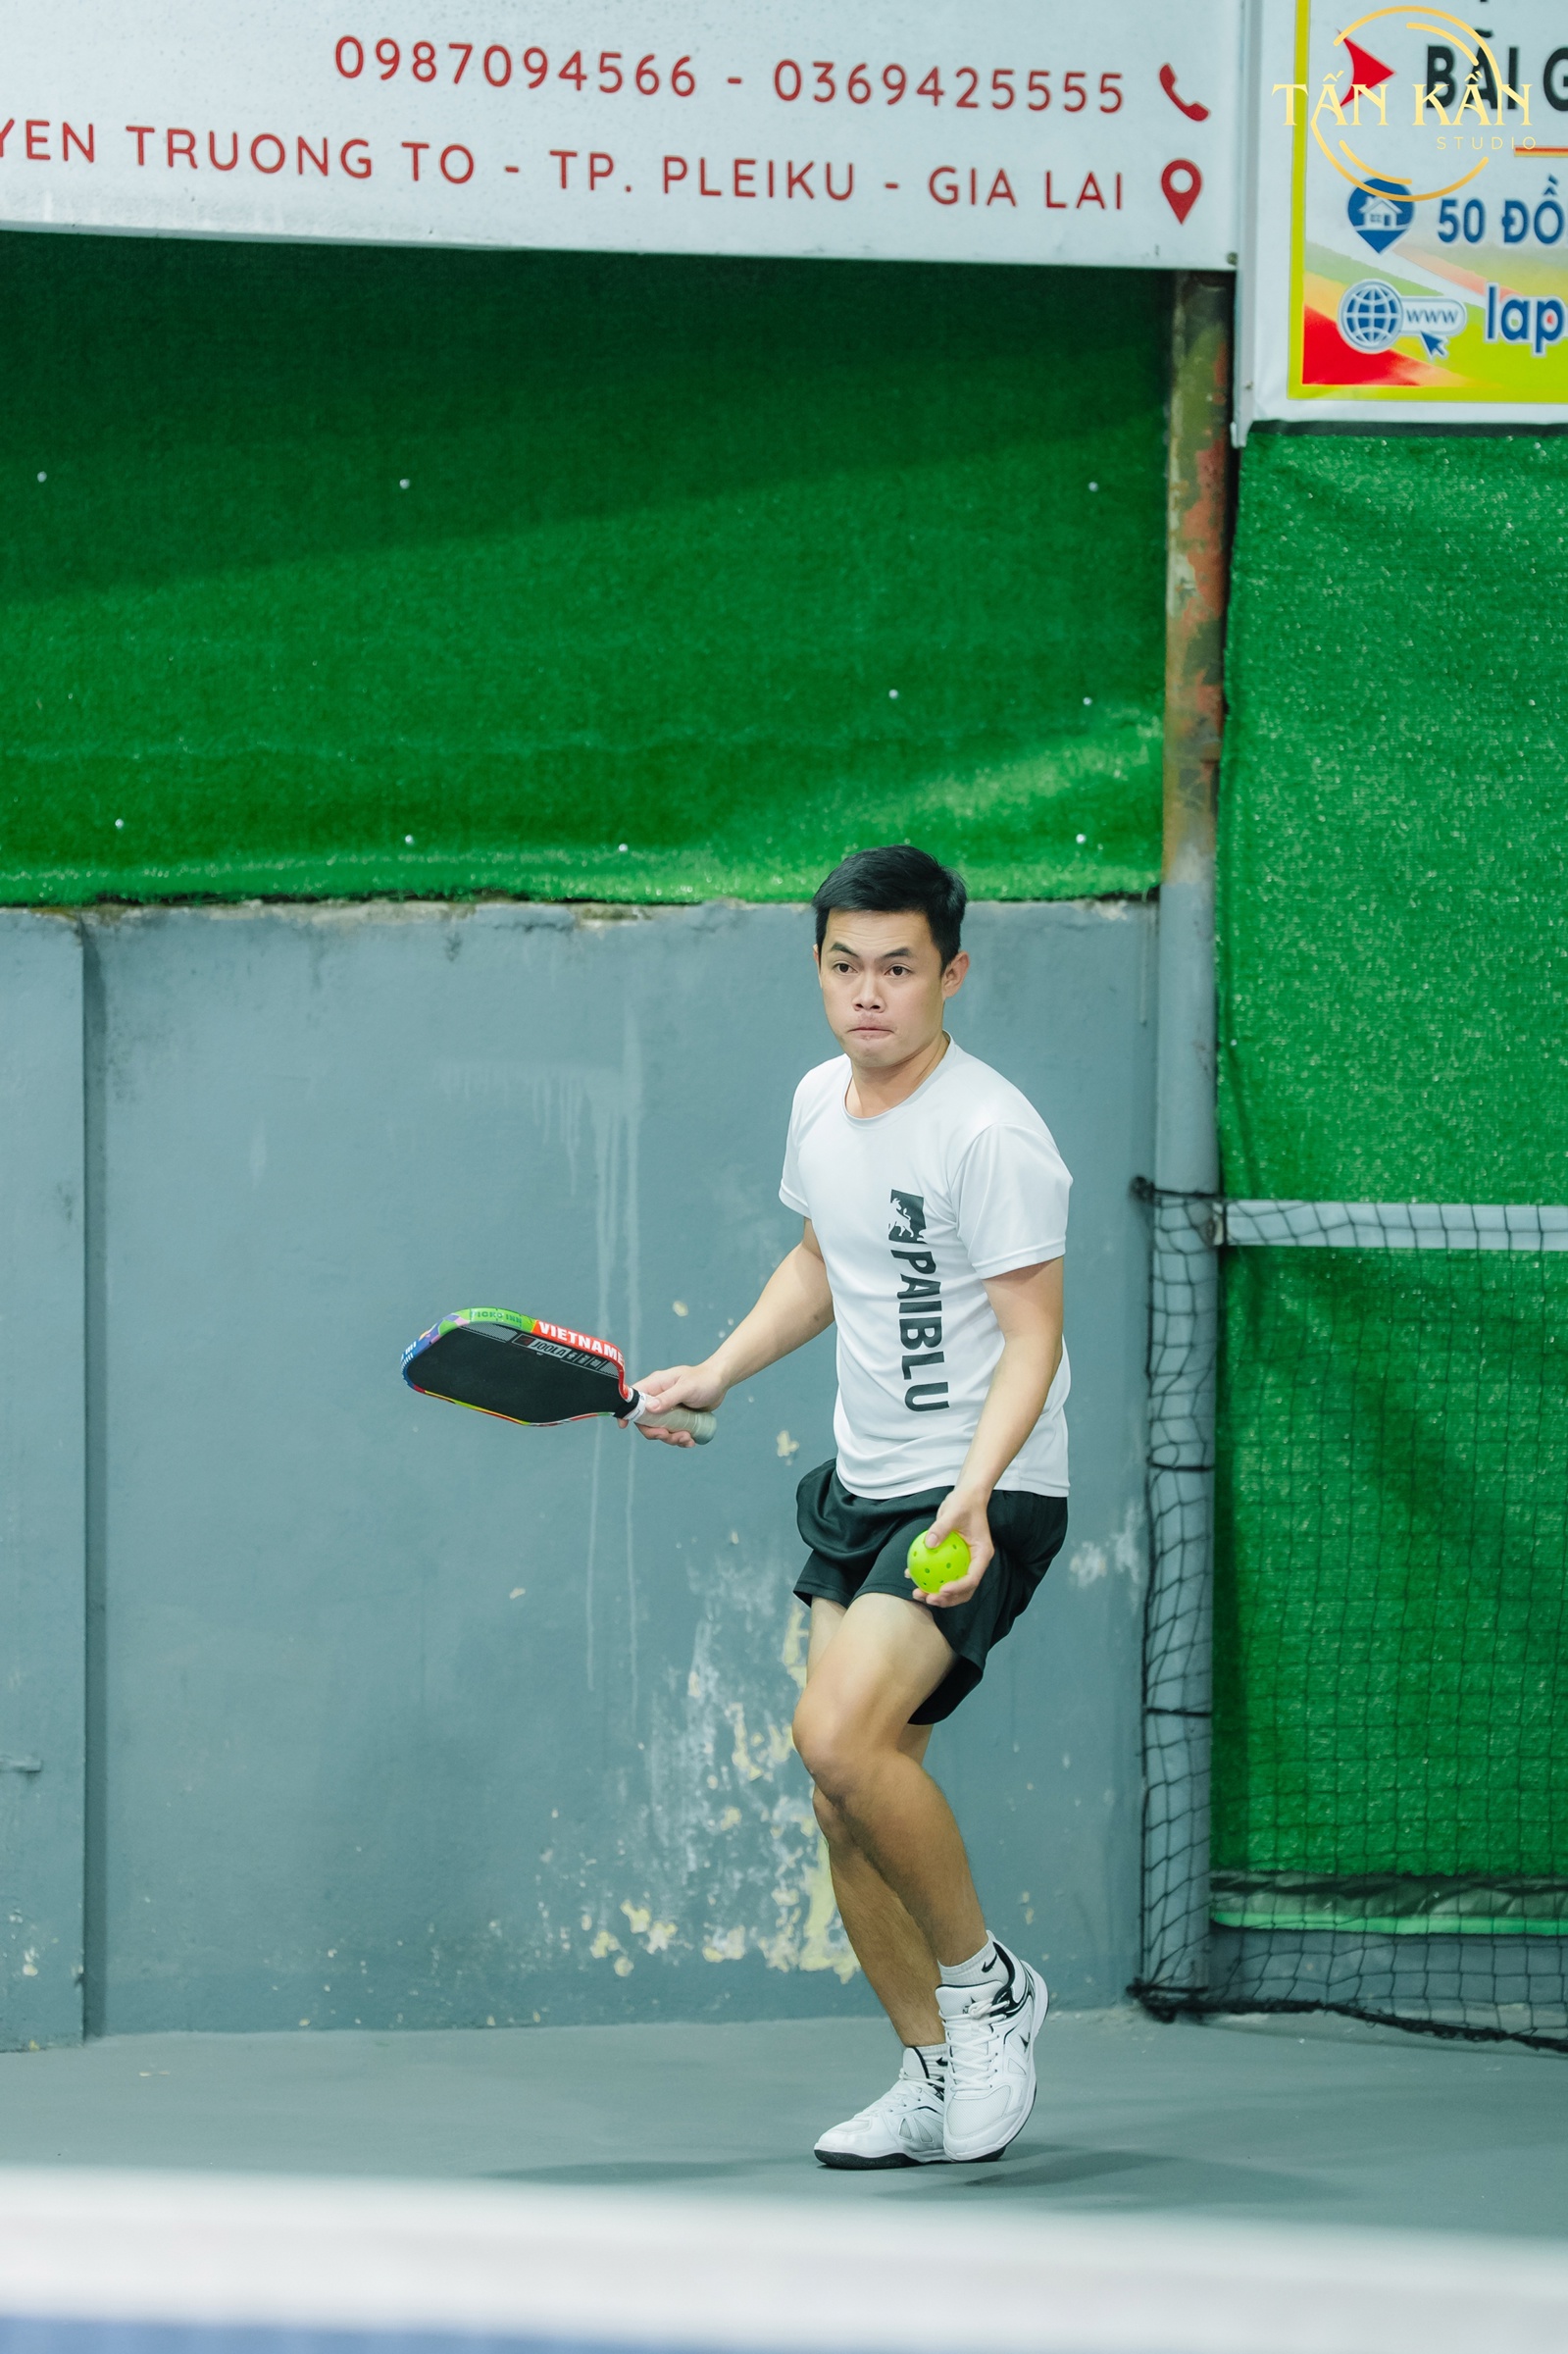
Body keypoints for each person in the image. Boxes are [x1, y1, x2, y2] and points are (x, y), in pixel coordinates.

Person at [635, 845, 1070, 2169]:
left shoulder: (991, 1132)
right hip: (861, 1487)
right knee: (847, 1794)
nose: (869, 994)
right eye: (844, 967)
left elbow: (1035, 1337)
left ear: (952, 974)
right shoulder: (820, 1104)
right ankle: (930, 2072)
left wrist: (975, 1500)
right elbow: (825, 1260)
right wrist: (717, 1369)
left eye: (898, 968)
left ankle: (990, 1990)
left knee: (832, 1736)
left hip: (978, 1488)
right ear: (818, 971)